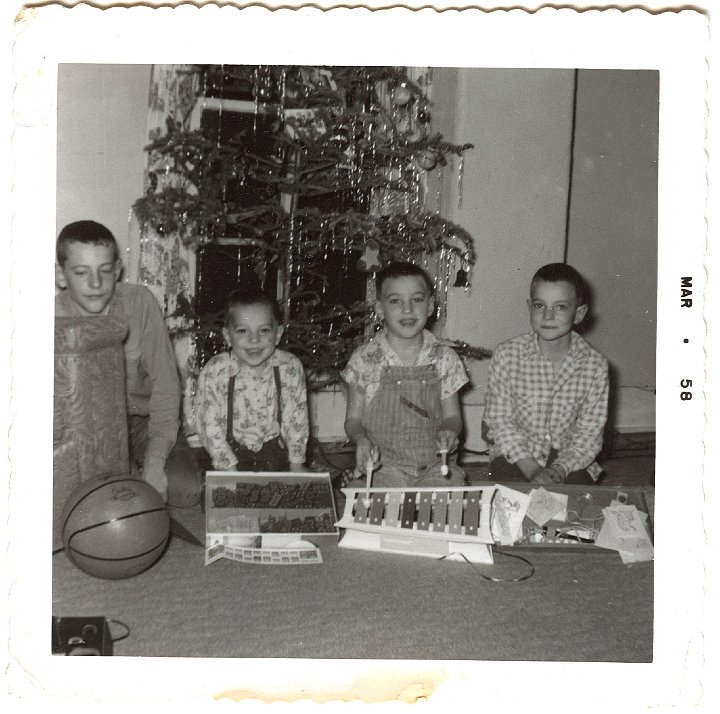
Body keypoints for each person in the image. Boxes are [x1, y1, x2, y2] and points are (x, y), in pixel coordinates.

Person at [55, 220, 202, 507]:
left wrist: (155, 463)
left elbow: (166, 387)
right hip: (86, 427)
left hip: (142, 422)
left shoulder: (140, 303)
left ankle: (135, 472)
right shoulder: (51, 317)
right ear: (61, 275)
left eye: (105, 271)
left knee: (184, 490)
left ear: (119, 269)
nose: (95, 284)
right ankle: (125, 477)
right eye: (81, 272)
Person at [342, 261, 469, 488]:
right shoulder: (364, 359)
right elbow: (353, 420)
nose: (407, 309)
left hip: (435, 465)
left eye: (417, 300)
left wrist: (450, 430)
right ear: (380, 309)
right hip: (383, 467)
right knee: (365, 505)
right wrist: (361, 441)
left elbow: (453, 416)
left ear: (430, 306)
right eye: (395, 301)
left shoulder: (445, 357)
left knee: (452, 502)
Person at [483, 263, 609, 486]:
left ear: (578, 314)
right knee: (513, 503)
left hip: (568, 458)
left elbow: (589, 434)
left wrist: (561, 469)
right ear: (529, 308)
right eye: (540, 305)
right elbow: (500, 422)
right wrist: (531, 468)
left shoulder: (595, 366)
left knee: (578, 506)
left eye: (560, 307)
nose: (548, 315)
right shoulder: (507, 355)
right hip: (518, 455)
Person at [195, 288, 309, 472]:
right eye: (242, 331)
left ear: (278, 334)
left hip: (276, 457)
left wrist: (296, 463)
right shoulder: (215, 371)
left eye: (263, 330)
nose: (254, 340)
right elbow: (209, 426)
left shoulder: (290, 367)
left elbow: (297, 419)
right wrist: (229, 470)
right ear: (227, 336)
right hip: (228, 457)